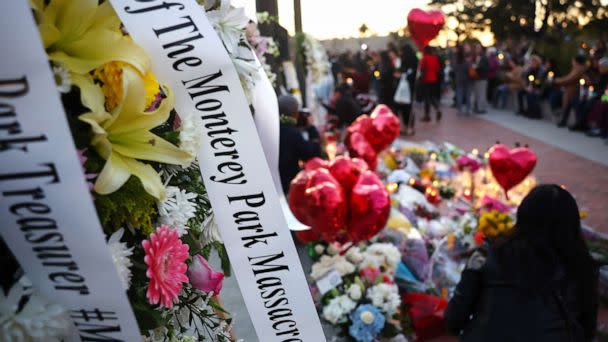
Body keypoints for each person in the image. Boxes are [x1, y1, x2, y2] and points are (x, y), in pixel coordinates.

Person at [445, 184, 599, 341]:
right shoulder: (582, 269)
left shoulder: (488, 256)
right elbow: (586, 332)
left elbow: (454, 319)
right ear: (572, 224)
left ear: (522, 215)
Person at [278, 95, 321, 194]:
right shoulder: (293, 133)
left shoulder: (271, 129)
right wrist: (311, 128)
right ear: (295, 113)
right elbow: (312, 155)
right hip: (289, 187)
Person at [555, 55, 588, 127]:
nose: (572, 63)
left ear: (576, 62)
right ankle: (564, 119)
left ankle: (576, 122)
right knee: (567, 99)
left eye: (573, 61)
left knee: (570, 100)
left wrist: (556, 80)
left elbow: (569, 79)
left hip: (577, 92)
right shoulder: (577, 69)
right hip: (573, 91)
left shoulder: (579, 69)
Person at [396, 44, 419, 135]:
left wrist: (401, 75)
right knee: (406, 108)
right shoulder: (411, 59)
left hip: (407, 86)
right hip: (408, 86)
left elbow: (408, 72)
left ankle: (408, 126)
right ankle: (407, 126)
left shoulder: (407, 60)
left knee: (407, 108)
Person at [420, 45, 442, 122]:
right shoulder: (435, 58)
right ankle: (437, 109)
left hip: (426, 79)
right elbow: (437, 69)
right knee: (432, 97)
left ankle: (427, 115)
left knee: (427, 98)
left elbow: (421, 68)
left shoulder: (424, 58)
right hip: (434, 79)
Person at [453, 45, 472, 115]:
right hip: (467, 80)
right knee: (467, 95)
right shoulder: (466, 62)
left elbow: (454, 70)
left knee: (459, 95)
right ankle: (468, 109)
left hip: (459, 80)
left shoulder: (456, 62)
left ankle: (459, 109)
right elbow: (469, 69)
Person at [472, 44, 489, 114]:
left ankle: (481, 108)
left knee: (481, 94)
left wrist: (477, 67)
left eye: (478, 48)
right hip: (477, 78)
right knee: (477, 94)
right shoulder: (477, 57)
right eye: (476, 48)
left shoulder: (483, 57)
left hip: (482, 78)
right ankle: (477, 107)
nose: (476, 50)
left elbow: (484, 67)